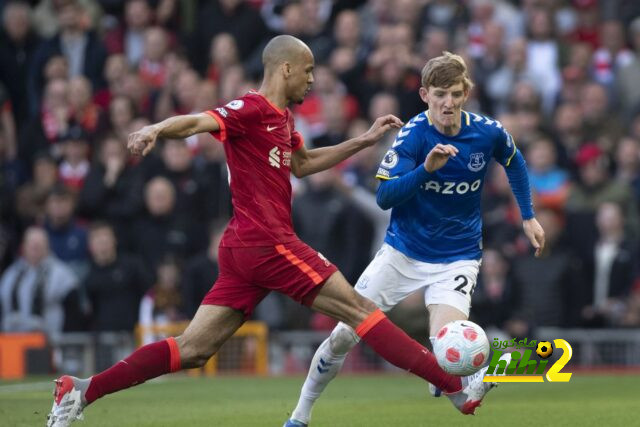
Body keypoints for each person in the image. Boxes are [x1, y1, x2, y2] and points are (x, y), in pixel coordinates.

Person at [47, 36, 494, 427]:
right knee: (360, 310)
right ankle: (452, 386)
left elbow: (302, 164)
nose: (313, 80)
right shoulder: (250, 108)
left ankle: (81, 390)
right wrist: (157, 128)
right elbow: (202, 121)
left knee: (194, 348)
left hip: (243, 249)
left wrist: (361, 141)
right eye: (309, 70)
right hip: (268, 243)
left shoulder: (281, 120)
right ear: (285, 68)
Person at [284, 51, 545, 426]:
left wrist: (528, 216)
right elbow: (384, 196)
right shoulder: (412, 136)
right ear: (425, 95)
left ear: (466, 92)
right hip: (402, 254)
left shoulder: (487, 131)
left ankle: (450, 374)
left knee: (448, 340)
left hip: (458, 256)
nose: (448, 103)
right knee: (343, 336)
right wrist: (426, 169)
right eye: (440, 94)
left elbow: (514, 160)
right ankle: (300, 414)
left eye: (456, 94)